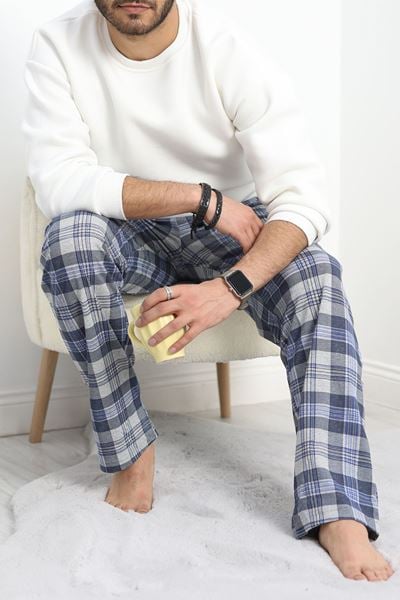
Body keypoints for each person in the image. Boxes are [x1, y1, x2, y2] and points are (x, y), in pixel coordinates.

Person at [21, 0, 394, 582]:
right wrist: (198, 198)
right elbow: (58, 180)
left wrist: (230, 287)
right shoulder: (57, 43)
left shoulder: (227, 48)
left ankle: (338, 506)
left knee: (318, 275)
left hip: (234, 236)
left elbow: (303, 199)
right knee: (69, 239)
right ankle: (131, 450)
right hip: (132, 233)